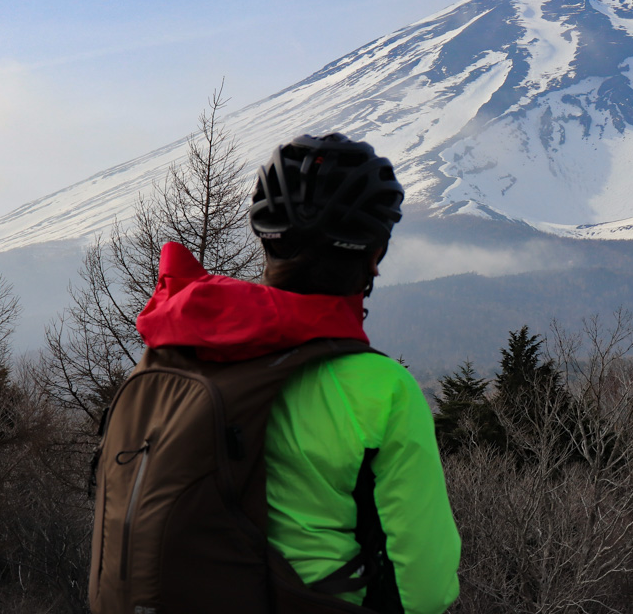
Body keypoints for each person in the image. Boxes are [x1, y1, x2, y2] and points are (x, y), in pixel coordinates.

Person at [111, 132, 460, 614]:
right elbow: (425, 585)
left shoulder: (177, 351)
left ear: (266, 242)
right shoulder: (383, 390)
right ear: (373, 259)